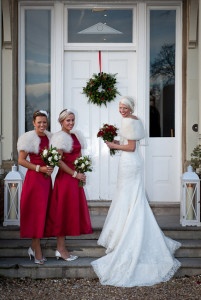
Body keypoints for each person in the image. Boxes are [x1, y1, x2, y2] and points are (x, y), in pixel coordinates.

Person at [91, 96, 181, 287]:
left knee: (129, 197)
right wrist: (116, 140)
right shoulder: (136, 120)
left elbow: (130, 147)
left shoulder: (129, 121)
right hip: (132, 163)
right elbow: (129, 141)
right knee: (129, 197)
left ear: (131, 108)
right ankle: (123, 230)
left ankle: (125, 234)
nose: (122, 110)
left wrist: (114, 145)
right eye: (120, 107)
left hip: (129, 163)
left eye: (125, 107)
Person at [45, 109, 93, 261]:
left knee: (70, 212)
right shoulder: (59, 138)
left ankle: (62, 248)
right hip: (66, 180)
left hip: (75, 178)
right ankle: (60, 249)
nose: (71, 123)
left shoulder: (75, 135)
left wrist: (82, 171)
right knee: (63, 213)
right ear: (61, 122)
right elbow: (59, 161)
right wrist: (74, 174)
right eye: (68, 120)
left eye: (72, 120)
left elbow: (77, 156)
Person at [17, 110, 53, 265]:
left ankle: (33, 247)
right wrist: (39, 168)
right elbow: (21, 160)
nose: (42, 125)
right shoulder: (28, 138)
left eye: (44, 122)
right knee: (35, 214)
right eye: (39, 122)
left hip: (46, 180)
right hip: (34, 180)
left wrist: (51, 166)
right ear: (33, 123)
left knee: (44, 213)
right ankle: (37, 248)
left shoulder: (51, 137)